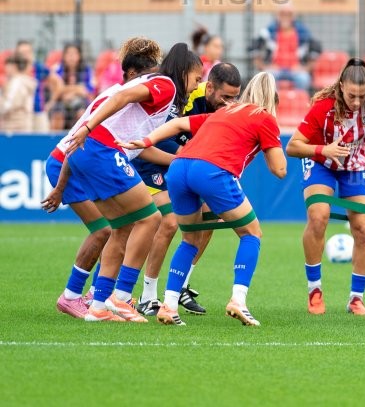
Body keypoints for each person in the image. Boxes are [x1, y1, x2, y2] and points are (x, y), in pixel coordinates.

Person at [119, 72, 286, 326]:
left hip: (178, 169)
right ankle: (238, 300)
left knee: (190, 238)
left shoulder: (223, 112)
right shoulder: (264, 118)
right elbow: (279, 169)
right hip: (212, 171)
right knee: (251, 233)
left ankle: (169, 304)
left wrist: (146, 141)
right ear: (273, 101)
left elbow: (177, 125)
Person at [58, 41, 203, 323]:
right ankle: (121, 296)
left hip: (88, 152)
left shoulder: (162, 91)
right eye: (197, 77)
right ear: (184, 71)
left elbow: (130, 125)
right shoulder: (166, 85)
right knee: (151, 219)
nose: (198, 83)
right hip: (102, 150)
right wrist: (88, 128)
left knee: (121, 226)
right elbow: (120, 99)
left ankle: (98, 306)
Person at [41, 37, 163, 318]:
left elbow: (137, 148)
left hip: (76, 159)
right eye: (148, 72)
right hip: (66, 161)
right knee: (106, 230)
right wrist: (60, 187)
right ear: (133, 74)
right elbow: (83, 141)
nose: (151, 78)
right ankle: (73, 296)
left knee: (123, 226)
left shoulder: (125, 102)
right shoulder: (119, 97)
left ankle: (100, 295)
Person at [134, 62, 243, 317]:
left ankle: (181, 284)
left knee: (210, 214)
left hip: (188, 164)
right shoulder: (189, 98)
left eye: (234, 98)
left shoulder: (224, 107)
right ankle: (147, 295)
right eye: (225, 97)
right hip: (156, 162)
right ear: (210, 87)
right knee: (168, 223)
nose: (229, 103)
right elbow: (166, 136)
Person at [286, 58, 365, 316]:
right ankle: (314, 290)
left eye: (361, 96)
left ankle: (356, 299)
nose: (356, 102)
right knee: (319, 217)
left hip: (356, 166)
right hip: (321, 162)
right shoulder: (323, 107)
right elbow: (293, 146)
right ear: (341, 86)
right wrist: (324, 149)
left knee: (364, 228)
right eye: (351, 95)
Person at [256, 3, 317, 91]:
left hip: (295, 70)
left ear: (294, 16)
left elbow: (315, 50)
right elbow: (255, 49)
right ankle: (272, 103)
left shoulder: (303, 32)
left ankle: (297, 103)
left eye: (289, 14)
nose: (285, 17)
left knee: (304, 79)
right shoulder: (268, 31)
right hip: (275, 69)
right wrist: (264, 66)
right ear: (277, 15)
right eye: (282, 13)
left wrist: (305, 68)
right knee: (267, 79)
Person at [46, 43, 95, 130]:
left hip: (80, 102)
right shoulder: (57, 69)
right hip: (61, 102)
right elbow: (56, 90)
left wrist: (66, 90)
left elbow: (86, 91)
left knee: (82, 113)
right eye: (68, 54)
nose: (71, 57)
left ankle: (78, 141)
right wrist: (76, 89)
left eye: (74, 54)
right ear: (64, 56)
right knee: (57, 114)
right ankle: (55, 140)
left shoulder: (86, 70)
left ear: (79, 56)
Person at [14, 40, 51, 131]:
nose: (25, 55)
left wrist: (50, 103)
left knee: (42, 140)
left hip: (38, 112)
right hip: (19, 115)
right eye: (22, 53)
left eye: (28, 52)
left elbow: (57, 83)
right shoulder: (13, 69)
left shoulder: (39, 68)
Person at [0, 53, 36, 132]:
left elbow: (8, 104)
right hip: (23, 125)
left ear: (14, 66)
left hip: (15, 127)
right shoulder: (23, 80)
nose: (5, 68)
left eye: (7, 65)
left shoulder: (17, 82)